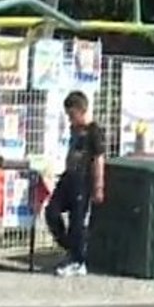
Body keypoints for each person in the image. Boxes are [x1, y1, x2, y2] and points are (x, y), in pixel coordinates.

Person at [45, 90, 106, 277]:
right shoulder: (74, 130)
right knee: (51, 211)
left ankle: (78, 260)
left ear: (81, 110)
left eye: (72, 115)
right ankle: (69, 246)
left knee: (77, 221)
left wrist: (98, 187)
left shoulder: (94, 132)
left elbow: (99, 159)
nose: (70, 119)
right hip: (68, 177)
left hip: (83, 180)